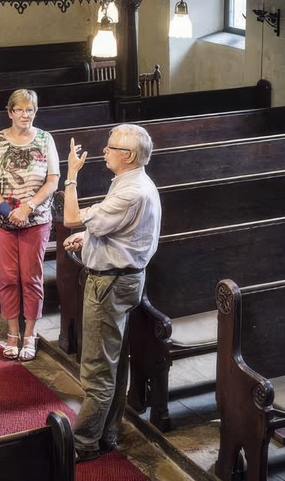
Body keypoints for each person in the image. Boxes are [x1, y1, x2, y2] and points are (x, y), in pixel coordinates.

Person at [62, 123, 161, 463]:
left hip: (110, 284)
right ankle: (107, 434)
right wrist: (90, 240)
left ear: (129, 155)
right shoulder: (135, 183)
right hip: (123, 278)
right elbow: (122, 234)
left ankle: (83, 443)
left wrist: (71, 175)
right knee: (114, 365)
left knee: (97, 370)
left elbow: (71, 217)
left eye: (110, 147)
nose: (104, 151)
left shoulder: (131, 191)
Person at [0, 89, 60, 362]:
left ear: (35, 112)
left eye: (30, 110)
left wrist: (28, 207)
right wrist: (6, 208)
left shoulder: (45, 139)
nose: (25, 115)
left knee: (31, 278)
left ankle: (30, 334)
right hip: (1, 219)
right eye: (20, 110)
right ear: (9, 112)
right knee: (8, 277)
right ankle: (12, 332)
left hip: (35, 219)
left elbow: (52, 180)